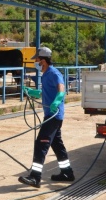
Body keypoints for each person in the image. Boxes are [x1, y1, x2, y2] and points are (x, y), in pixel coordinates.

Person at [19, 46, 74, 188]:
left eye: (37, 60)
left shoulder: (54, 73)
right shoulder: (46, 74)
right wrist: (32, 92)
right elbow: (46, 93)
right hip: (50, 115)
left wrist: (58, 100)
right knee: (57, 145)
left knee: (41, 145)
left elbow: (61, 90)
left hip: (54, 115)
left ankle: (35, 177)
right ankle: (67, 172)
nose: (36, 63)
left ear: (43, 60)